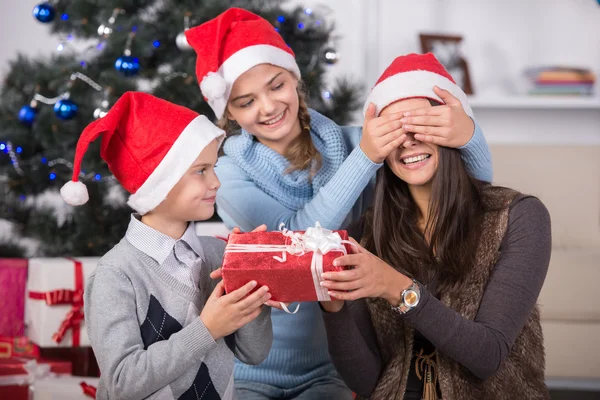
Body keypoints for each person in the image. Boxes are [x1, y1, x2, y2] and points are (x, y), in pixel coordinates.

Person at [185, 8, 493, 399]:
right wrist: (364, 159)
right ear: (228, 112)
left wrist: (468, 134)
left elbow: (473, 191)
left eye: (276, 85)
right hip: (250, 366)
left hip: (336, 365)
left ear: (295, 80)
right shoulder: (228, 173)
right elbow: (295, 241)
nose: (267, 107)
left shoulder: (353, 142)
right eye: (245, 102)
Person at [319, 53, 551, 400]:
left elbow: (487, 355)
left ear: (451, 131)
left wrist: (396, 288)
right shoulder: (364, 234)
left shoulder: (518, 217)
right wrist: (332, 309)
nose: (408, 139)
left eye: (421, 125)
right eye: (394, 129)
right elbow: (368, 383)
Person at [60, 92, 273, 399]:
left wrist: (254, 280)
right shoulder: (116, 274)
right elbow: (122, 383)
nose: (216, 182)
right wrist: (207, 329)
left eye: (213, 168)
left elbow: (255, 353)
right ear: (159, 184)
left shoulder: (218, 254)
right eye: (201, 170)